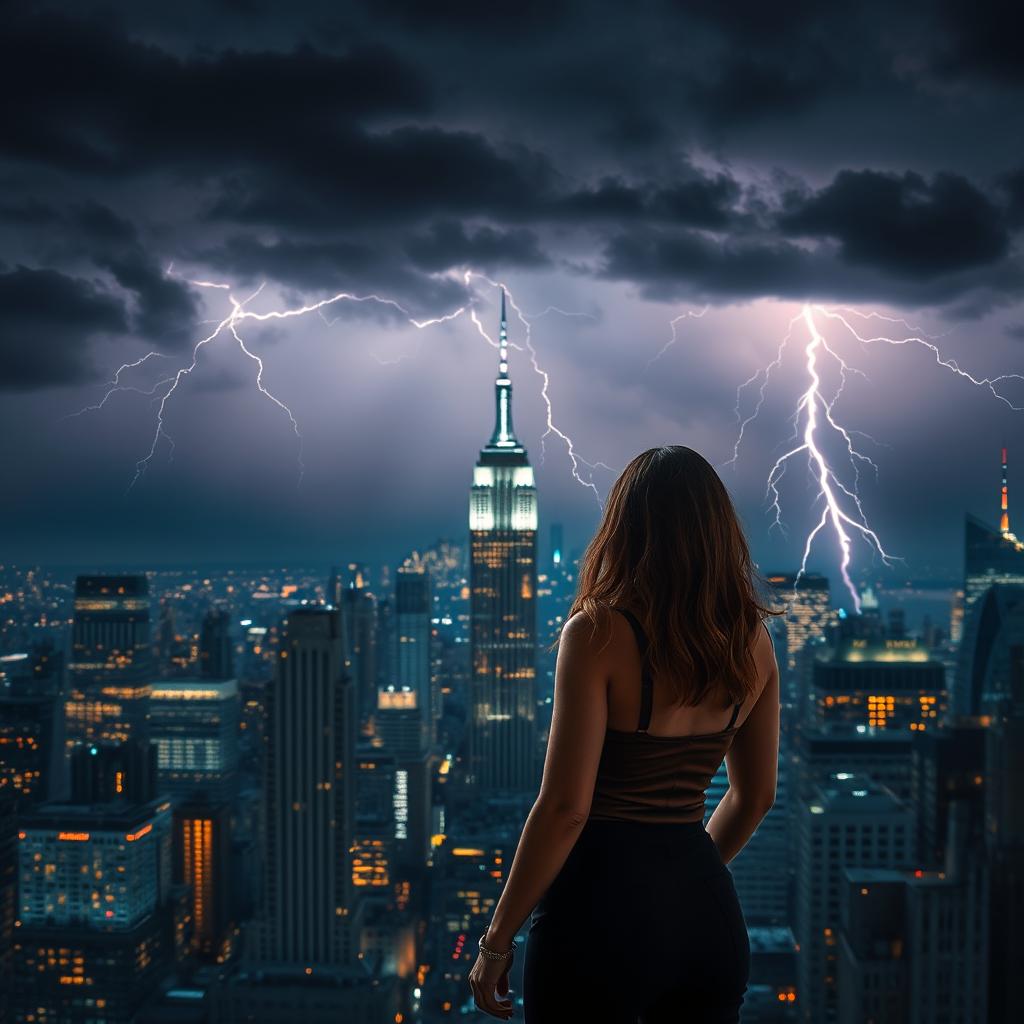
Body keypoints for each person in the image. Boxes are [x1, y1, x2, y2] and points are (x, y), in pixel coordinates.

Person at [468, 445, 781, 1022]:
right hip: (706, 916)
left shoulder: (597, 634)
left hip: (596, 915)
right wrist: (686, 874)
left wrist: (495, 941)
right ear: (719, 532)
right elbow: (756, 796)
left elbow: (565, 809)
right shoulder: (754, 642)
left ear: (626, 529)